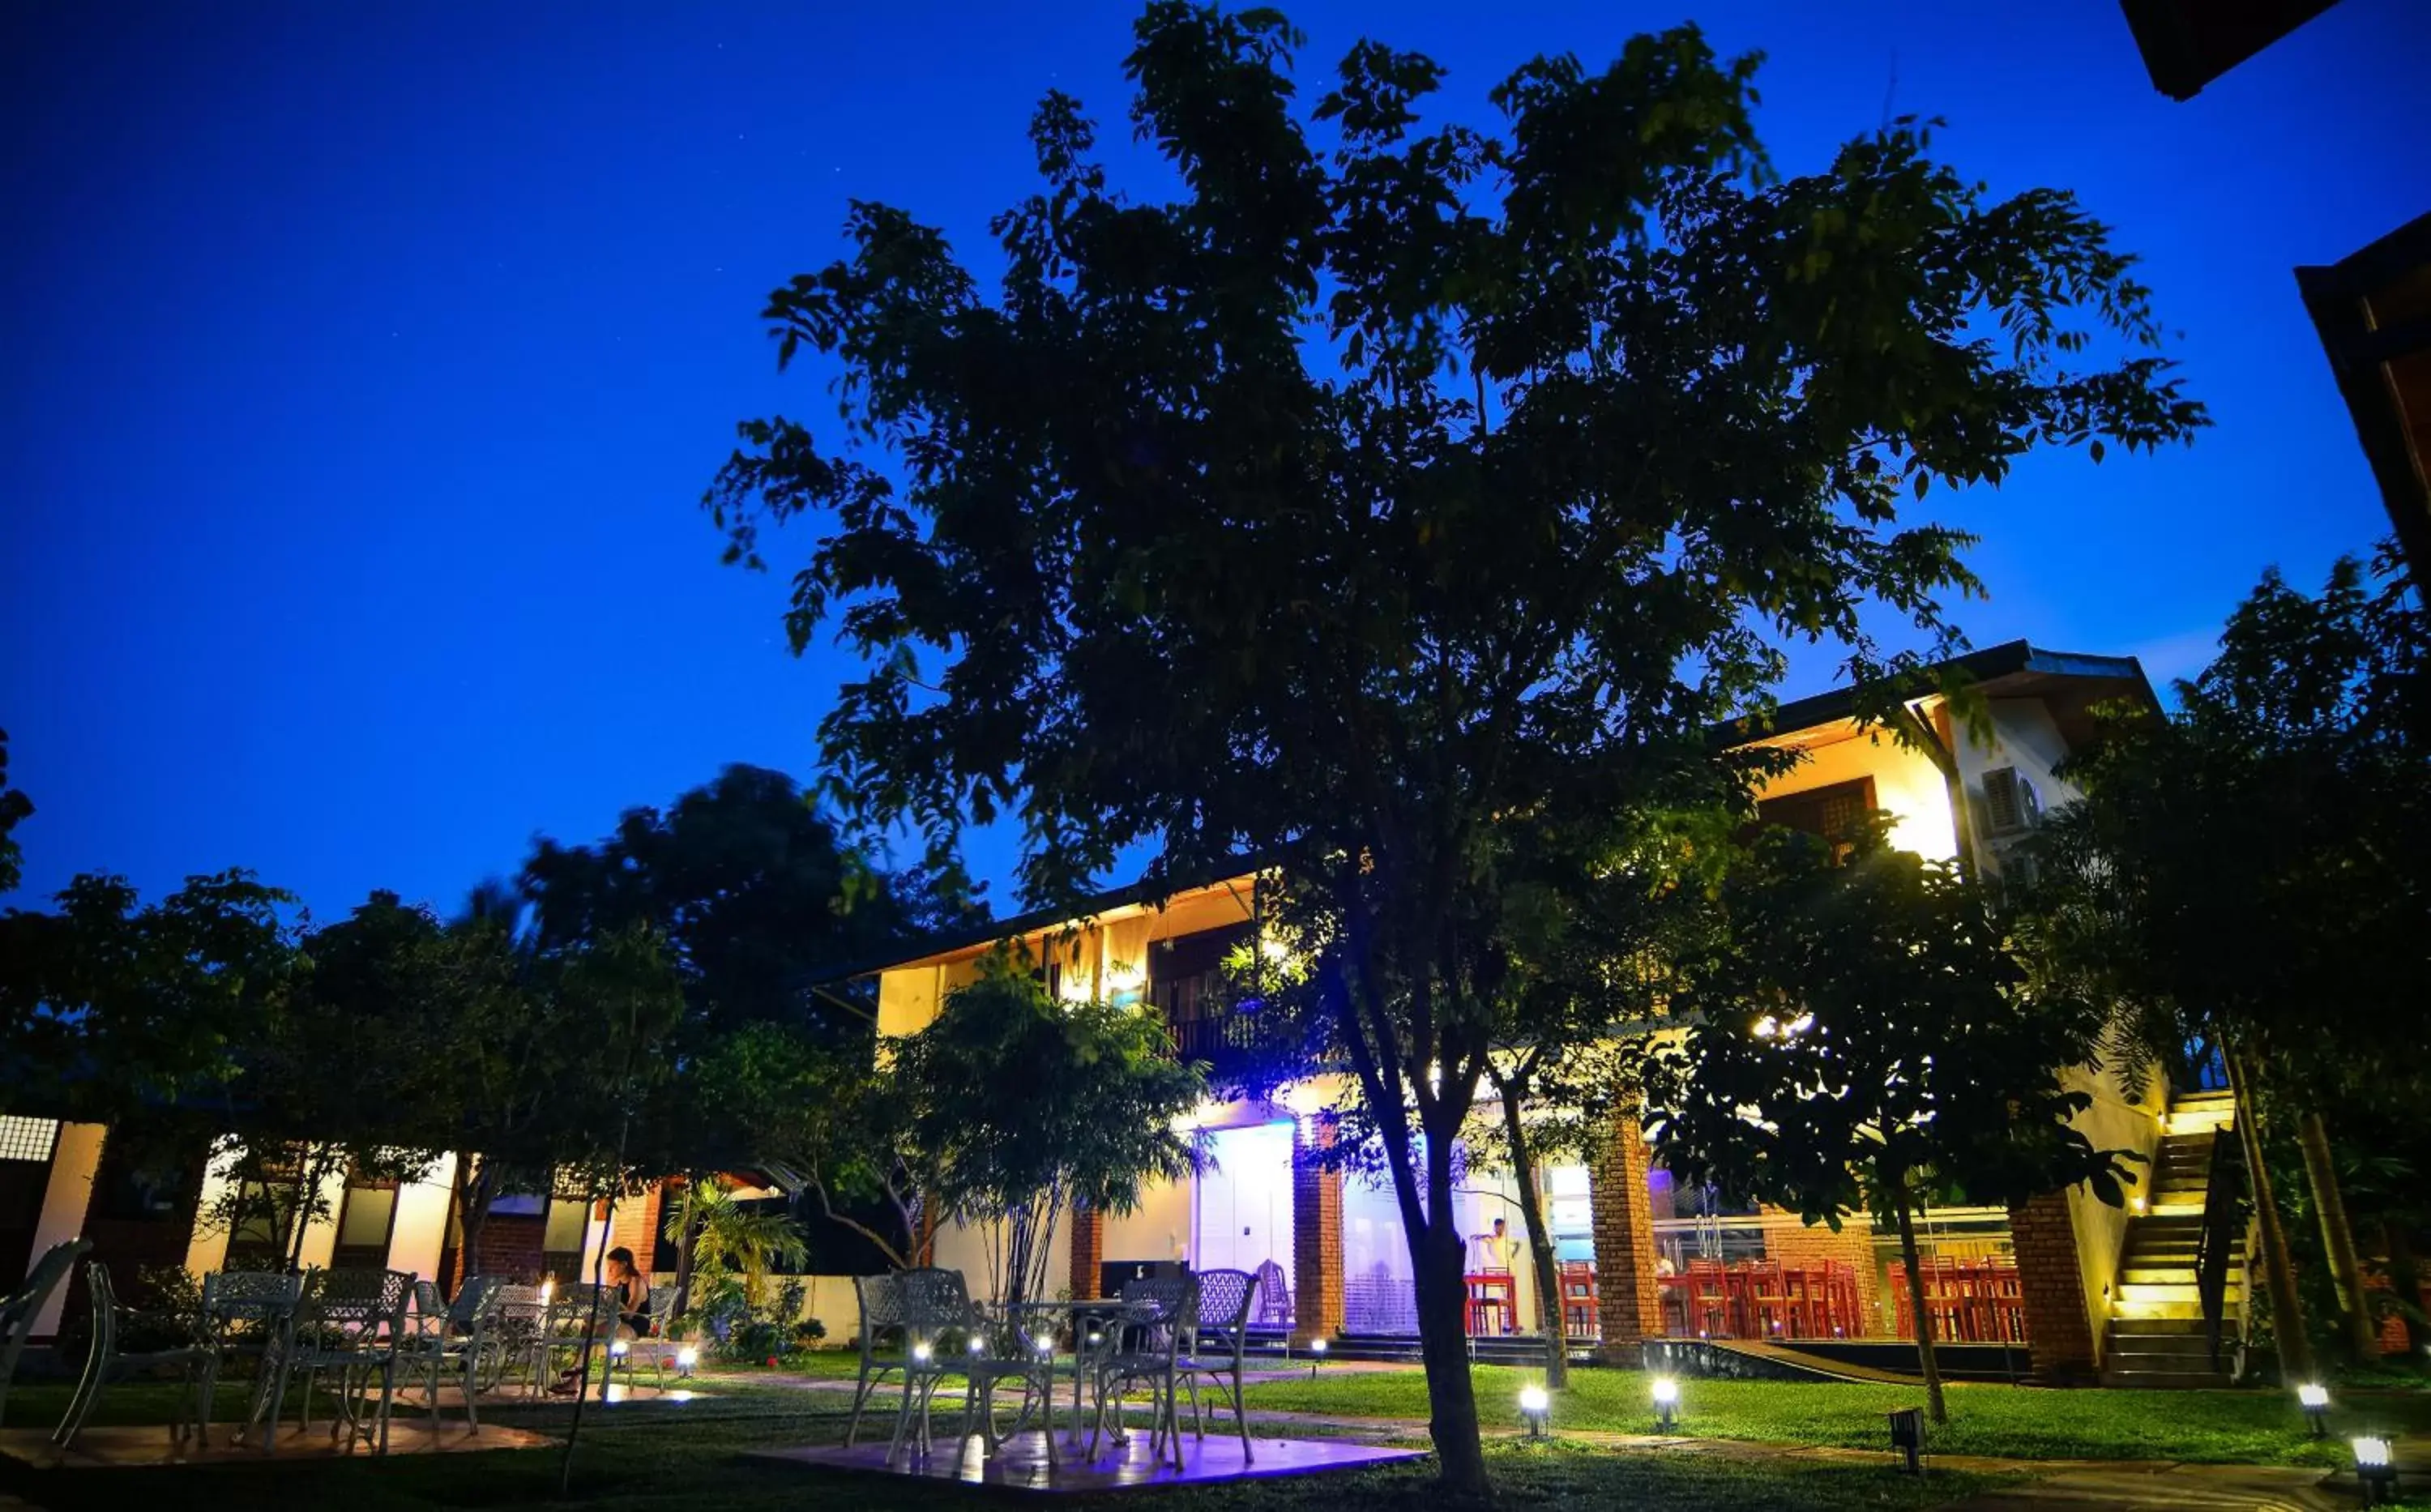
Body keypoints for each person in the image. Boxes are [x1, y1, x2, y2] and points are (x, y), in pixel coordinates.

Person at [547, 1248, 653, 1395]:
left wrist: (613, 1300)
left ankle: (578, 1368)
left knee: (593, 1329)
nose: (610, 1270)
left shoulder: (636, 1282)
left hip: (635, 1325)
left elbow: (629, 1314)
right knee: (588, 1324)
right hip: (617, 1323)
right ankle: (575, 1376)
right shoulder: (618, 1284)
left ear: (624, 1264)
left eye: (613, 1266)